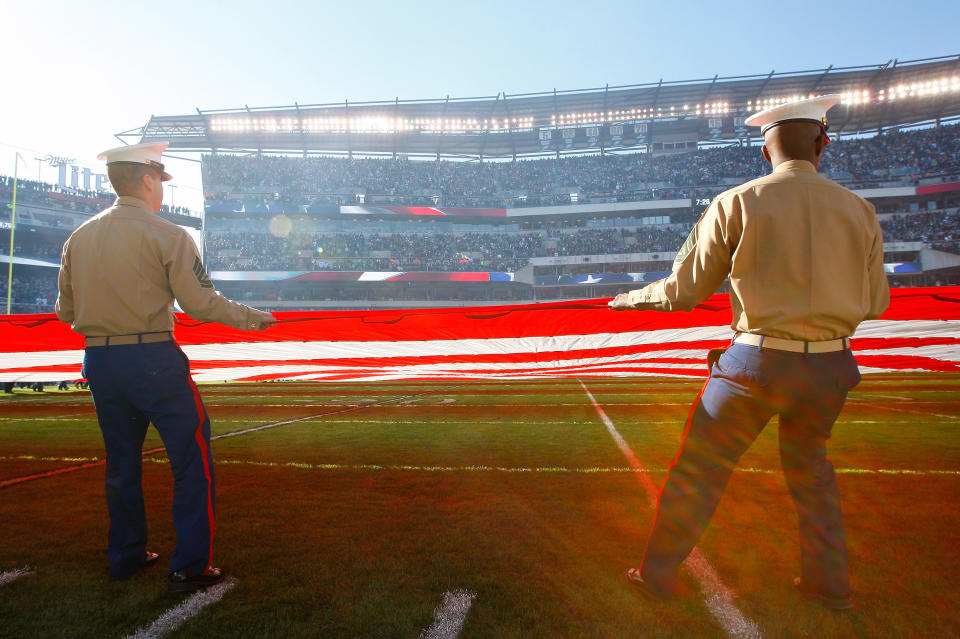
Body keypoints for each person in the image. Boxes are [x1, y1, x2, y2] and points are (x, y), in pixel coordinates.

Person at [609, 95, 889, 611]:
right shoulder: (861, 210)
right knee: (813, 474)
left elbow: (682, 292)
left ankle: (658, 576)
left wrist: (629, 298)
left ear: (766, 153)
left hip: (755, 365)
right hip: (830, 366)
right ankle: (830, 587)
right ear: (822, 144)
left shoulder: (736, 201)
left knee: (700, 471)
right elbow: (875, 302)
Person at [56, 142, 276, 592]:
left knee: (121, 464)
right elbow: (200, 304)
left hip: (99, 360)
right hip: (153, 357)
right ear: (149, 179)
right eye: (161, 182)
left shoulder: (78, 237)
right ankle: (191, 566)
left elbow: (64, 311)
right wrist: (250, 317)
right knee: (191, 462)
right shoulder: (169, 235)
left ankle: (126, 556)